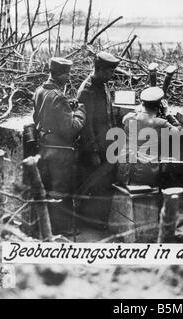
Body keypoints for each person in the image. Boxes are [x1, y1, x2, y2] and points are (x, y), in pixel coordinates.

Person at [33, 57, 86, 235]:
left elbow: (37, 118)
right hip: (60, 152)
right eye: (67, 74)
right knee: (61, 190)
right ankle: (61, 228)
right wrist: (80, 112)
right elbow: (71, 129)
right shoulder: (58, 96)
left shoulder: (40, 90)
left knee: (48, 188)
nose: (69, 78)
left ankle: (47, 227)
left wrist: (66, 108)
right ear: (59, 74)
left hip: (44, 147)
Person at [76, 52, 120, 228]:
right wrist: (93, 151)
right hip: (93, 147)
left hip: (107, 144)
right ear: (99, 69)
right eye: (108, 72)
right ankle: (91, 222)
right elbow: (86, 126)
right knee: (94, 184)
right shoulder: (87, 90)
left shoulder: (103, 85)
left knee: (105, 183)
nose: (111, 76)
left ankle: (99, 219)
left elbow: (109, 114)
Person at [118, 87, 180, 186]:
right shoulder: (162, 123)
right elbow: (178, 130)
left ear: (142, 104)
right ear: (159, 107)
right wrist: (167, 114)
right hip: (146, 173)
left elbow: (129, 117)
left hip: (126, 170)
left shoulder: (129, 118)